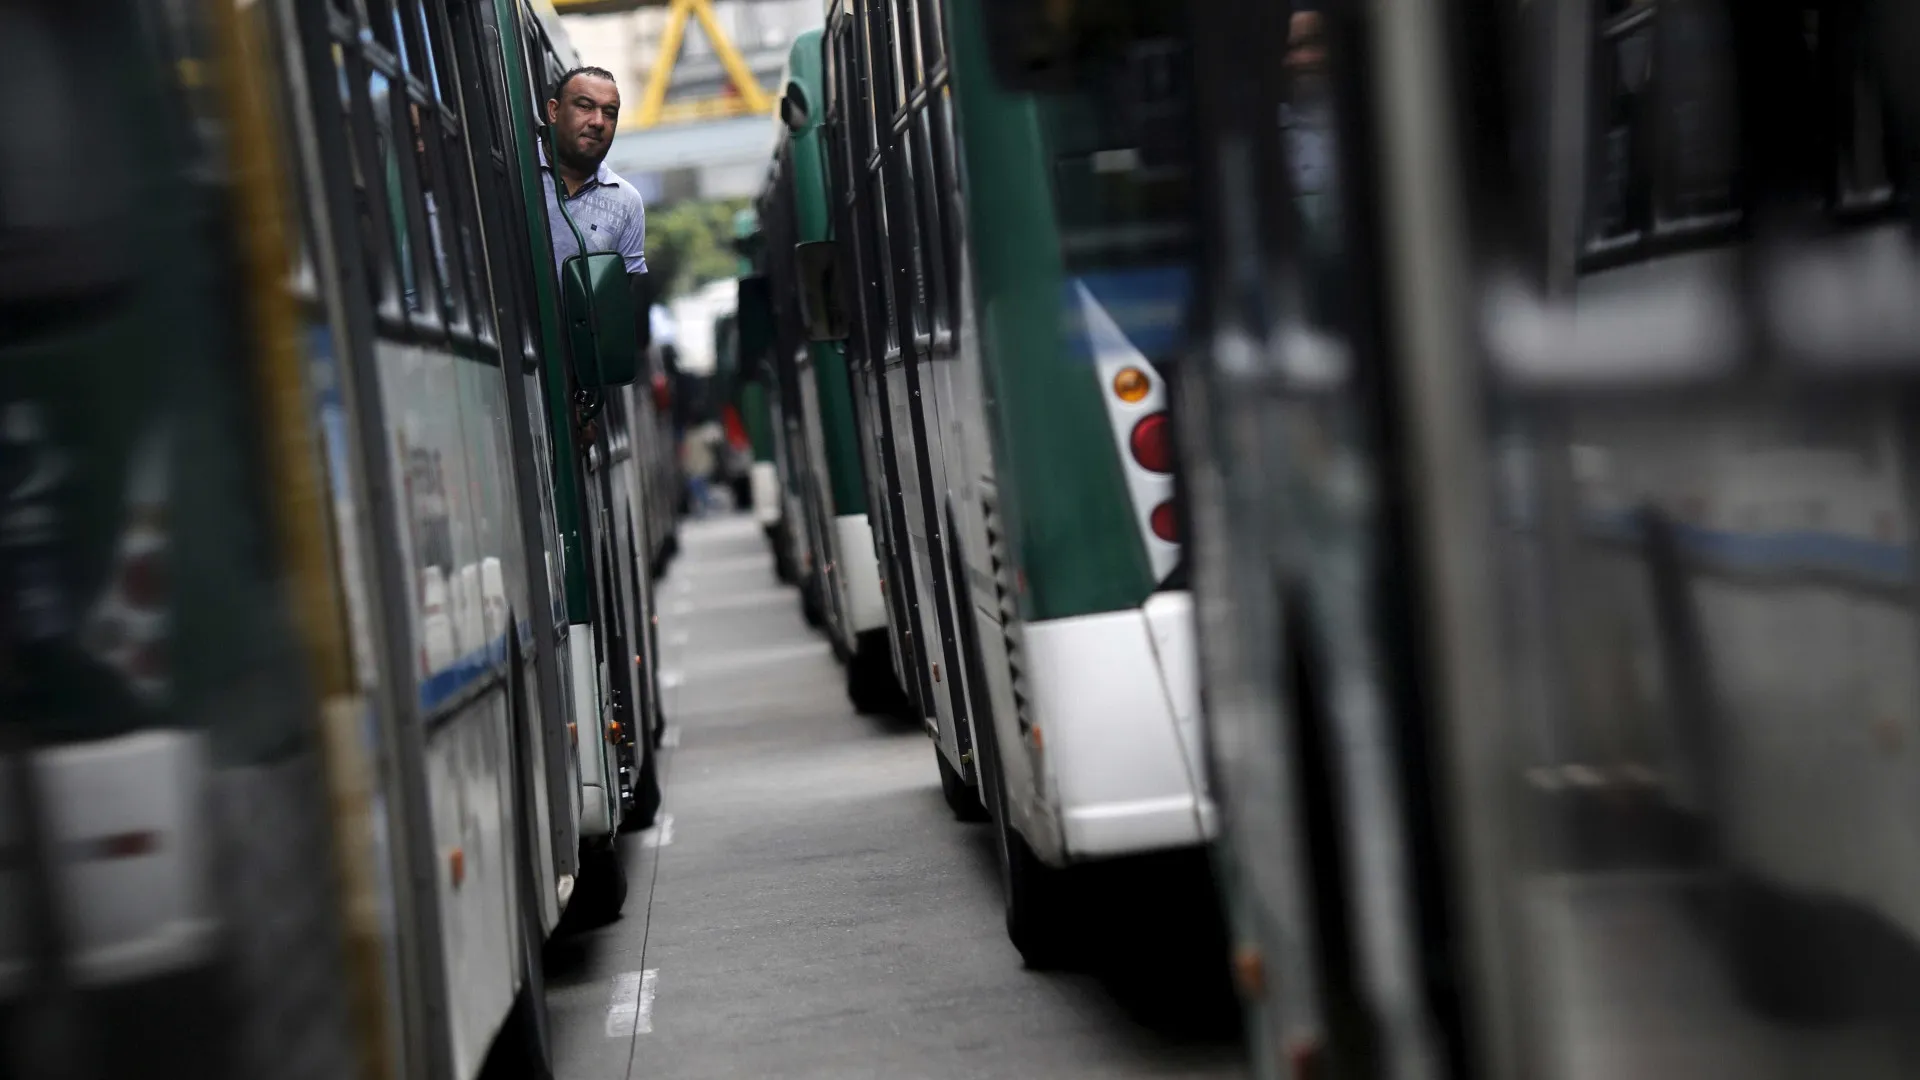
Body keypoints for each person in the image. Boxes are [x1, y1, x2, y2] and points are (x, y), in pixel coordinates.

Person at [541, 65, 651, 447]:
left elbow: (617, 317)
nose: (598, 121)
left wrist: (584, 401)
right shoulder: (509, 173)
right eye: (585, 106)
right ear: (554, 111)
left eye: (610, 112)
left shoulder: (627, 202)